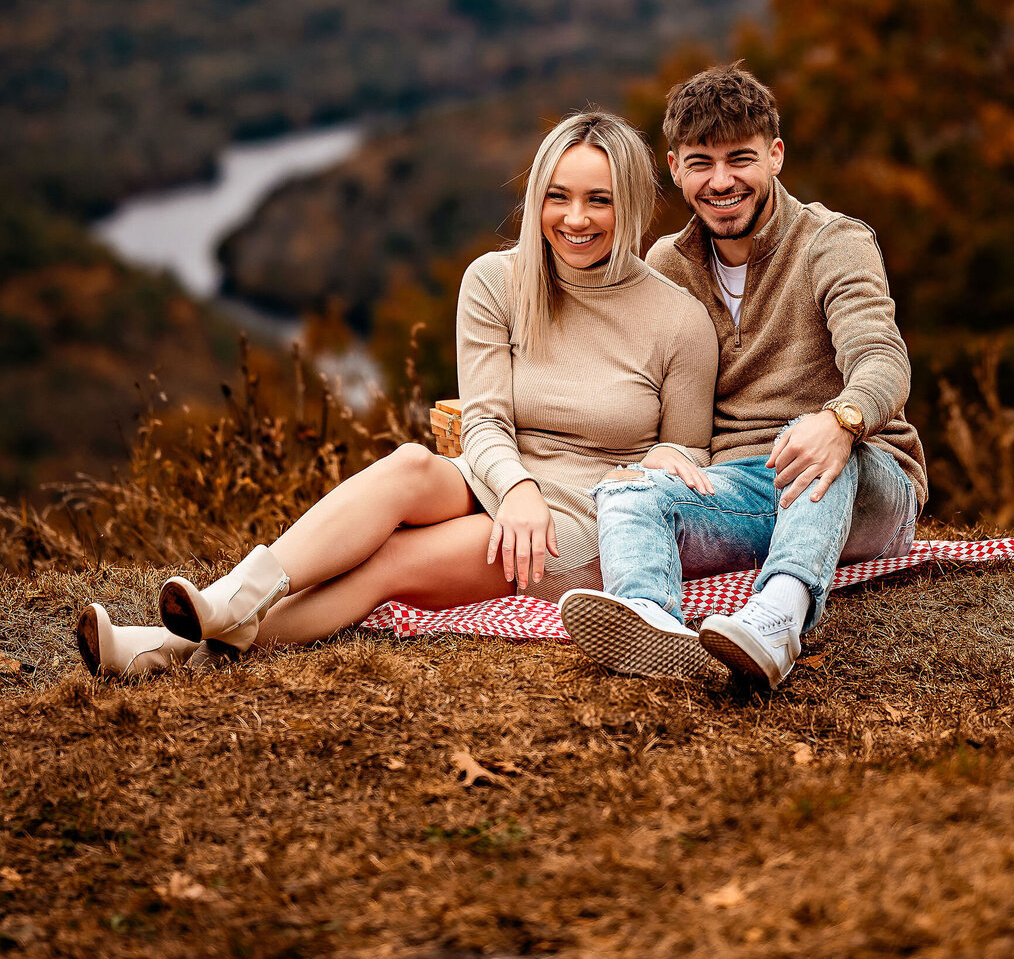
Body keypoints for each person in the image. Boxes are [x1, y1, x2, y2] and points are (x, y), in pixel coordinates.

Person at [75, 111, 718, 679]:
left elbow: (682, 472)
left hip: (579, 520)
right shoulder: (498, 280)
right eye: (558, 197)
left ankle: (160, 649)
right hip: (499, 476)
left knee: (390, 562)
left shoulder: (679, 324)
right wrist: (517, 488)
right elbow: (487, 420)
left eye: (598, 201)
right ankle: (236, 598)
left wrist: (659, 461)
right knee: (411, 462)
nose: (575, 220)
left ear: (632, 204)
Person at [560, 63, 927, 690]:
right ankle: (653, 624)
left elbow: (882, 357)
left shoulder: (832, 242)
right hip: (741, 488)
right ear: (675, 168)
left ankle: (777, 621)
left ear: (776, 156)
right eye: (701, 162)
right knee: (626, 493)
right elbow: (648, 389)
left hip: (863, 478)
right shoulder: (667, 265)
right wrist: (665, 454)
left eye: (741, 159)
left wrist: (840, 420)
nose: (722, 181)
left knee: (818, 462)